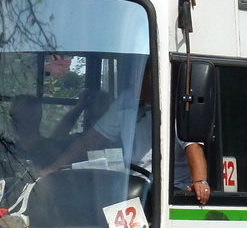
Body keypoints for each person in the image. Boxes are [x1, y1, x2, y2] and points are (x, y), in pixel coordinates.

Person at [43, 70, 211, 204]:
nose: (132, 81)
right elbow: (90, 141)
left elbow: (193, 146)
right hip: (132, 185)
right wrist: (54, 168)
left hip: (169, 191)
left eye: (138, 75)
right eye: (132, 74)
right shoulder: (127, 100)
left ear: (155, 75)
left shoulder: (173, 105)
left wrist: (200, 182)